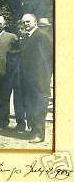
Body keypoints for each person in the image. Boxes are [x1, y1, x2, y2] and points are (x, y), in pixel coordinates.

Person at [20, 14, 52, 143]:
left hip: (40, 79)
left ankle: (39, 134)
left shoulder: (42, 36)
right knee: (31, 105)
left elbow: (50, 57)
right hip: (29, 79)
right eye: (24, 22)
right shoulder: (28, 36)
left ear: (35, 22)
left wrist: (46, 74)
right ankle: (33, 131)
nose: (26, 24)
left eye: (28, 22)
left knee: (39, 106)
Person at [6, 20, 28, 132]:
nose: (20, 31)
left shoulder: (30, 42)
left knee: (28, 101)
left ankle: (31, 123)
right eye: (19, 29)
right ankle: (20, 123)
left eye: (22, 29)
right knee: (18, 101)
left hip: (27, 78)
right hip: (16, 77)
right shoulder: (15, 43)